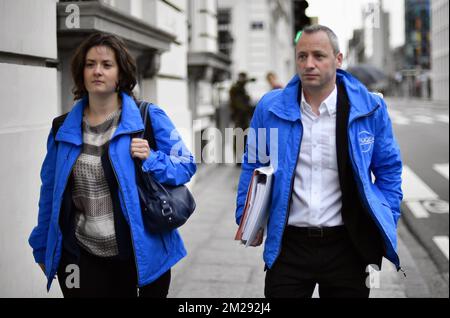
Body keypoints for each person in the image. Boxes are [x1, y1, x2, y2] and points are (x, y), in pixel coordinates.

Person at [235, 25, 403, 298]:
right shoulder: (270, 107)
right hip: (288, 245)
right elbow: (252, 163)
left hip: (348, 247)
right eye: (302, 56)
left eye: (318, 55)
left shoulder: (370, 108)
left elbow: (389, 169)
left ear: (338, 59)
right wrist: (246, 218)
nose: (308, 64)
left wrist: (386, 219)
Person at [28, 32, 196, 298]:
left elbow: (186, 165)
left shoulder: (148, 116)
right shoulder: (62, 128)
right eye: (90, 64)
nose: (97, 71)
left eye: (107, 65)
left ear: (121, 73)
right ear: (81, 72)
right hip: (83, 256)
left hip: (139, 254)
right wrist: (41, 246)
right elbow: (50, 192)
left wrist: (152, 158)